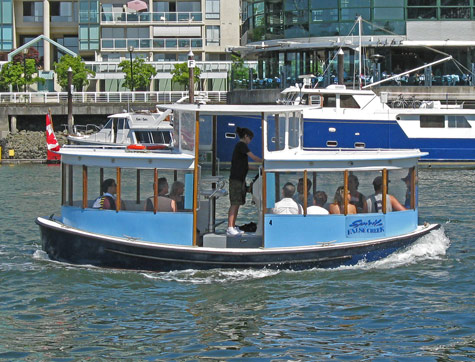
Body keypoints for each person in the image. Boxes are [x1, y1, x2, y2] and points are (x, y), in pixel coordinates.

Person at [227, 127, 262, 236]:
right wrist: (266, 162)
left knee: (238, 203)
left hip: (240, 179)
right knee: (235, 203)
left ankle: (233, 226)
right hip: (236, 180)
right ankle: (230, 227)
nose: (250, 141)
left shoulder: (240, 148)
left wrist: (258, 168)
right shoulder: (241, 145)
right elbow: (254, 157)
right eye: (250, 138)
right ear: (246, 136)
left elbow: (245, 165)